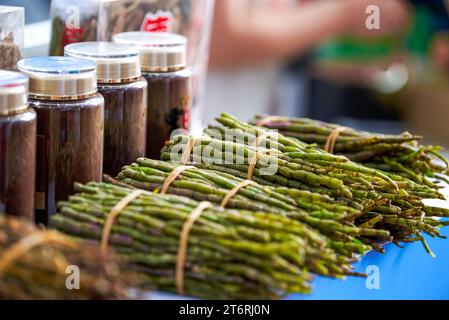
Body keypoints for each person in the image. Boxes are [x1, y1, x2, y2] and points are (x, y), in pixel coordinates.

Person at [203, 0, 410, 124]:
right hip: (210, 134)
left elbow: (268, 29)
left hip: (246, 130)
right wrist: (345, 15)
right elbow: (223, 40)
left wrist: (333, 61)